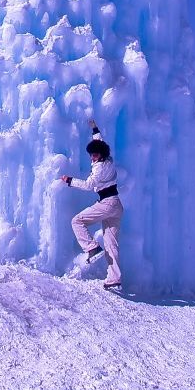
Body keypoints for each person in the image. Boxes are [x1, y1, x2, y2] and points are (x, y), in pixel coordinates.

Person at [63, 123, 124, 289]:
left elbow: (89, 186)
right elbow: (101, 143)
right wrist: (95, 130)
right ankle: (114, 278)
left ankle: (92, 248)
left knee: (77, 221)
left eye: (94, 155)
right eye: (91, 154)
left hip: (107, 203)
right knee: (111, 243)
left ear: (101, 155)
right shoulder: (108, 160)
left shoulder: (99, 169)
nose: (92, 157)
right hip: (116, 205)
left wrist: (70, 181)